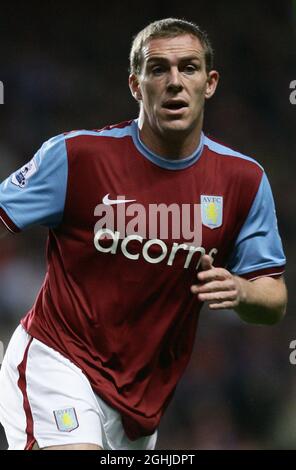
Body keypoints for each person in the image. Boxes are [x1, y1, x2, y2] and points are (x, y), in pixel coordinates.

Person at [0, 17, 287, 451]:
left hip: (141, 404)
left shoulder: (243, 181)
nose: (174, 82)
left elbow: (274, 298)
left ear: (209, 83)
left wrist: (242, 292)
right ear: (136, 85)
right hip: (56, 361)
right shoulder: (77, 157)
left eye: (188, 68)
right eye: (158, 69)